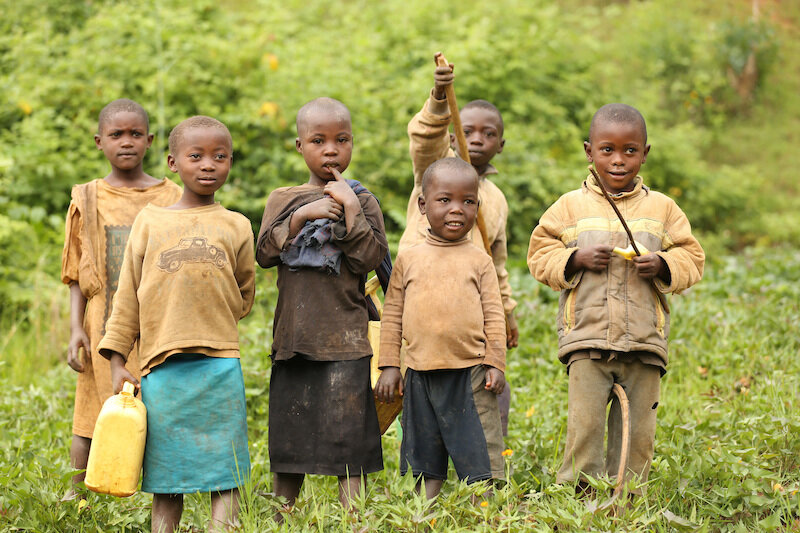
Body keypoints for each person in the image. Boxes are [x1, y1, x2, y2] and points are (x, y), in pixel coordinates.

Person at [527, 104, 704, 494]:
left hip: (644, 341)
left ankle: (628, 495)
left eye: (630, 150)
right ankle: (579, 494)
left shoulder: (663, 209)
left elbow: (693, 257)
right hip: (587, 340)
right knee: (585, 425)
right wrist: (574, 258)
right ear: (589, 151)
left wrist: (663, 264)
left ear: (645, 153)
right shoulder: (569, 207)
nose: (618, 160)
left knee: (638, 431)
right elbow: (539, 254)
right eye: (607, 150)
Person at [97, 116, 255, 532]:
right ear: (172, 162)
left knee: (227, 467)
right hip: (162, 368)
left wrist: (205, 313)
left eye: (219, 157)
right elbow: (127, 295)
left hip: (220, 363)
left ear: (230, 163)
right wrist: (116, 360)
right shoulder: (151, 222)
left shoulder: (237, 225)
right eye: (196, 156)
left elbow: (243, 293)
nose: (208, 165)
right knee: (167, 476)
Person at [256, 97, 387, 515]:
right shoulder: (284, 199)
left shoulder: (364, 201)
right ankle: (282, 517)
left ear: (352, 144)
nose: (331, 150)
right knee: (289, 447)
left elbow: (369, 258)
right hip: (294, 341)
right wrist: (300, 217)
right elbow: (263, 253)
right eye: (318, 140)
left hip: (346, 342)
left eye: (341, 140)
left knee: (351, 449)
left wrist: (349, 209)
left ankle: (354, 520)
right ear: (299, 146)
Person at [60, 98, 182, 499]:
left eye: (134, 134)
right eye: (116, 134)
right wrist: (77, 327)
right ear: (100, 142)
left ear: (149, 140)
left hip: (159, 332)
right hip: (102, 327)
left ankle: (156, 503)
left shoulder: (173, 196)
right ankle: (76, 506)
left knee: (157, 418)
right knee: (91, 417)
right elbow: (77, 273)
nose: (125, 142)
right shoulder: (89, 199)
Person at [376, 157, 507, 499]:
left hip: (471, 374)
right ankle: (424, 512)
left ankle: (486, 512)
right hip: (420, 373)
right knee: (425, 456)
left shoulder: (479, 260)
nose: (456, 210)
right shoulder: (409, 258)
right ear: (422, 205)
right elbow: (392, 315)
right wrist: (390, 364)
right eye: (444, 200)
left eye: (468, 201)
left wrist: (495, 362)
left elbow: (495, 316)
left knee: (480, 454)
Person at [399, 59, 517, 434]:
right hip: (424, 302)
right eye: (468, 131)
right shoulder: (435, 174)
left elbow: (497, 262)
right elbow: (422, 138)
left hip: (470, 308)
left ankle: (485, 465)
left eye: (489, 133)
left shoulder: (495, 200)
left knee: (487, 389)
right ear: (452, 137)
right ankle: (427, 464)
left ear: (501, 143)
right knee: (423, 387)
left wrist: (507, 310)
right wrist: (437, 98)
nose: (478, 138)